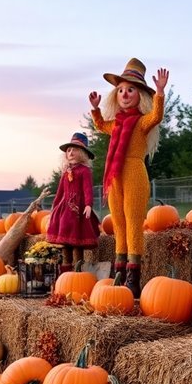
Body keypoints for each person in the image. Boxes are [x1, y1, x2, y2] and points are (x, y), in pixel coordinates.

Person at [89, 58, 168, 298]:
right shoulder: (116, 124)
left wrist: (161, 93)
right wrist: (94, 108)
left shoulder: (141, 122)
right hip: (115, 176)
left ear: (139, 95)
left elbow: (156, 116)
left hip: (134, 172)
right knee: (119, 223)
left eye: (130, 89)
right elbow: (101, 124)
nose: (125, 93)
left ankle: (134, 277)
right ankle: (119, 272)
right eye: (121, 89)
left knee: (134, 223)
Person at [46, 133, 100, 272]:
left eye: (74, 150)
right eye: (68, 150)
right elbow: (60, 192)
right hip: (64, 211)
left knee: (77, 242)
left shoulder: (85, 171)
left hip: (78, 211)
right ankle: (65, 273)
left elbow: (88, 190)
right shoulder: (65, 172)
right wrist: (54, 207)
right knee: (65, 244)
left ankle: (78, 271)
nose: (70, 152)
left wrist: (88, 204)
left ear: (82, 153)